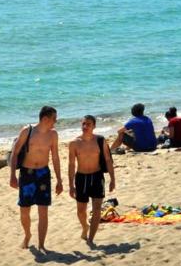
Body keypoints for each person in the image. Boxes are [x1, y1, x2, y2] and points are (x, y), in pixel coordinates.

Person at [9, 106, 63, 250]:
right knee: (24, 210)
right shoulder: (27, 131)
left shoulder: (53, 135)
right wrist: (12, 176)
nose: (55, 122)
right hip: (27, 173)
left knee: (43, 210)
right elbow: (14, 153)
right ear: (45, 119)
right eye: (54, 119)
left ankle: (41, 245)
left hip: (43, 174)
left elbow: (56, 157)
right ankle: (27, 235)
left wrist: (59, 180)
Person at [68, 115, 115, 244]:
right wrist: (71, 185)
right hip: (81, 178)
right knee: (81, 211)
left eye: (88, 124)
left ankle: (91, 239)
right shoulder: (74, 143)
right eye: (83, 124)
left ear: (94, 126)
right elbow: (71, 164)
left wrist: (112, 179)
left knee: (97, 209)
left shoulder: (100, 140)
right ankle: (85, 227)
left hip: (97, 176)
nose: (85, 126)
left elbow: (108, 160)